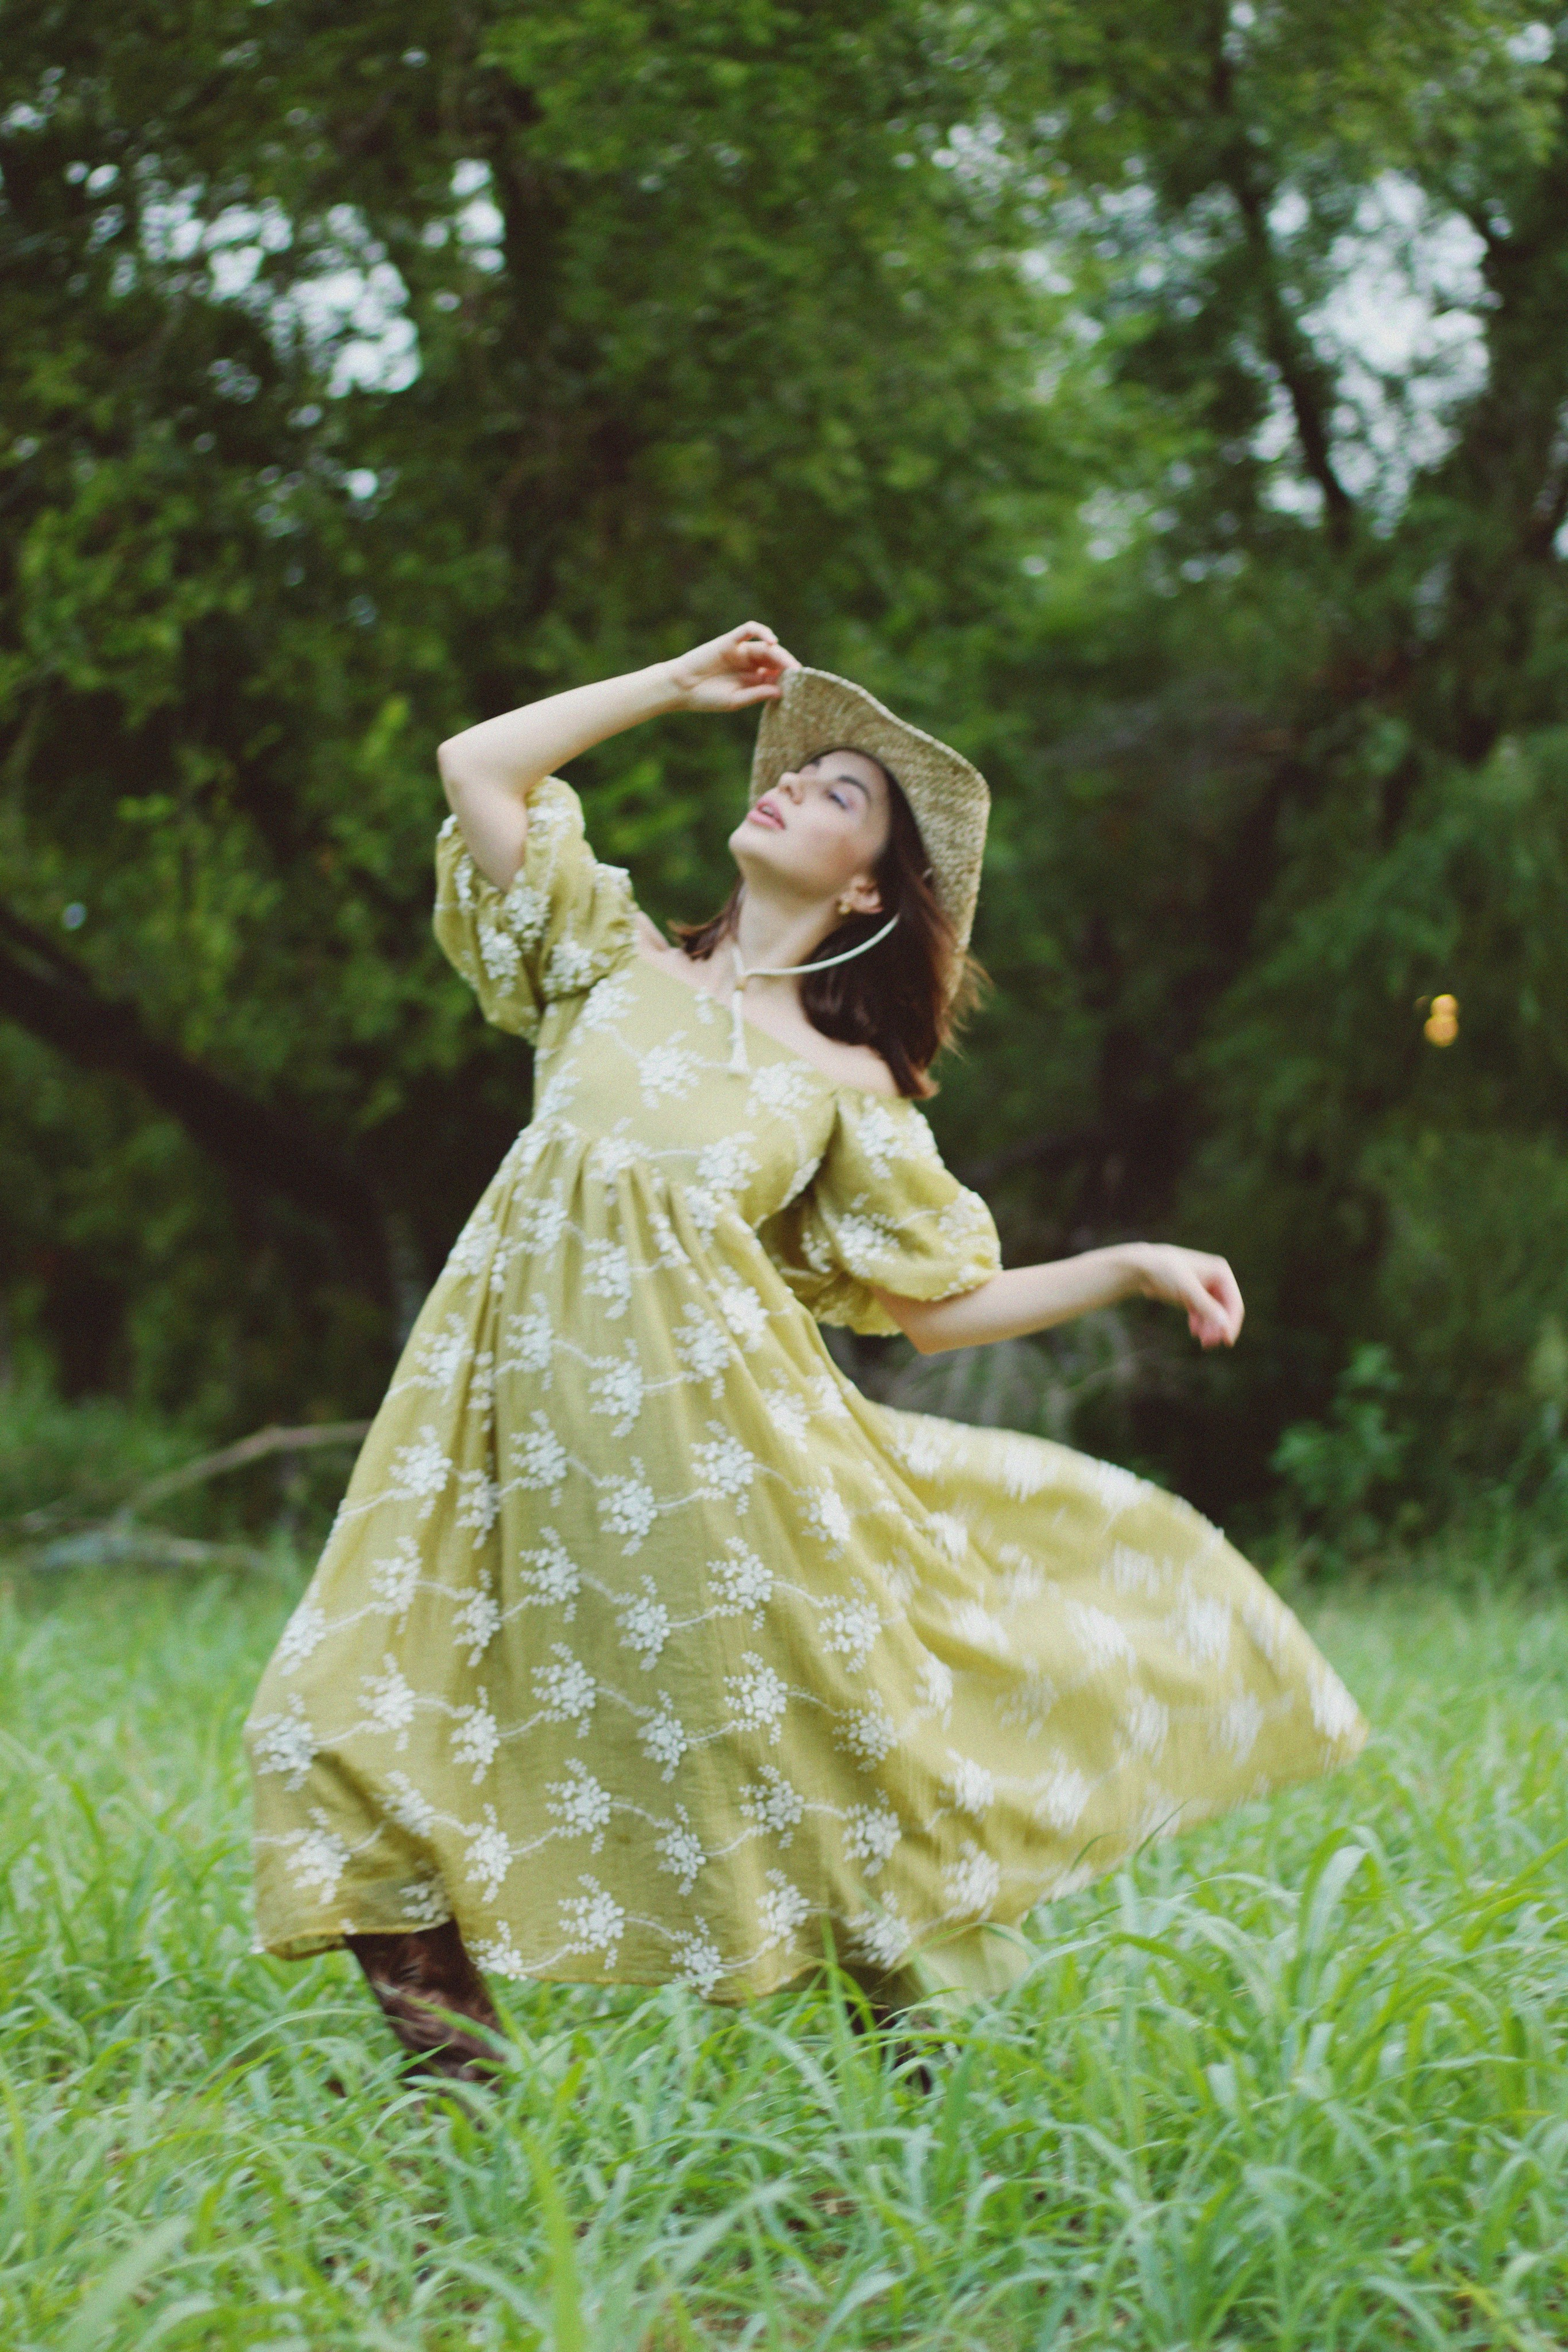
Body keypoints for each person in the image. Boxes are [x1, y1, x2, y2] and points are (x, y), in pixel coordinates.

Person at [245, 622, 1366, 2081]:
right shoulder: (604, 957)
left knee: (803, 1750)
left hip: (718, 1454)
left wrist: (1126, 1266)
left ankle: (916, 2074)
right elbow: (478, 764)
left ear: (860, 893)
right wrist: (672, 687)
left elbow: (932, 1305)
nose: (794, 788)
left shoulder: (846, 1085)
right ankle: (459, 2095)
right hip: (497, 1425)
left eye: (840, 796)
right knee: (330, 1716)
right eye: (799, 770)